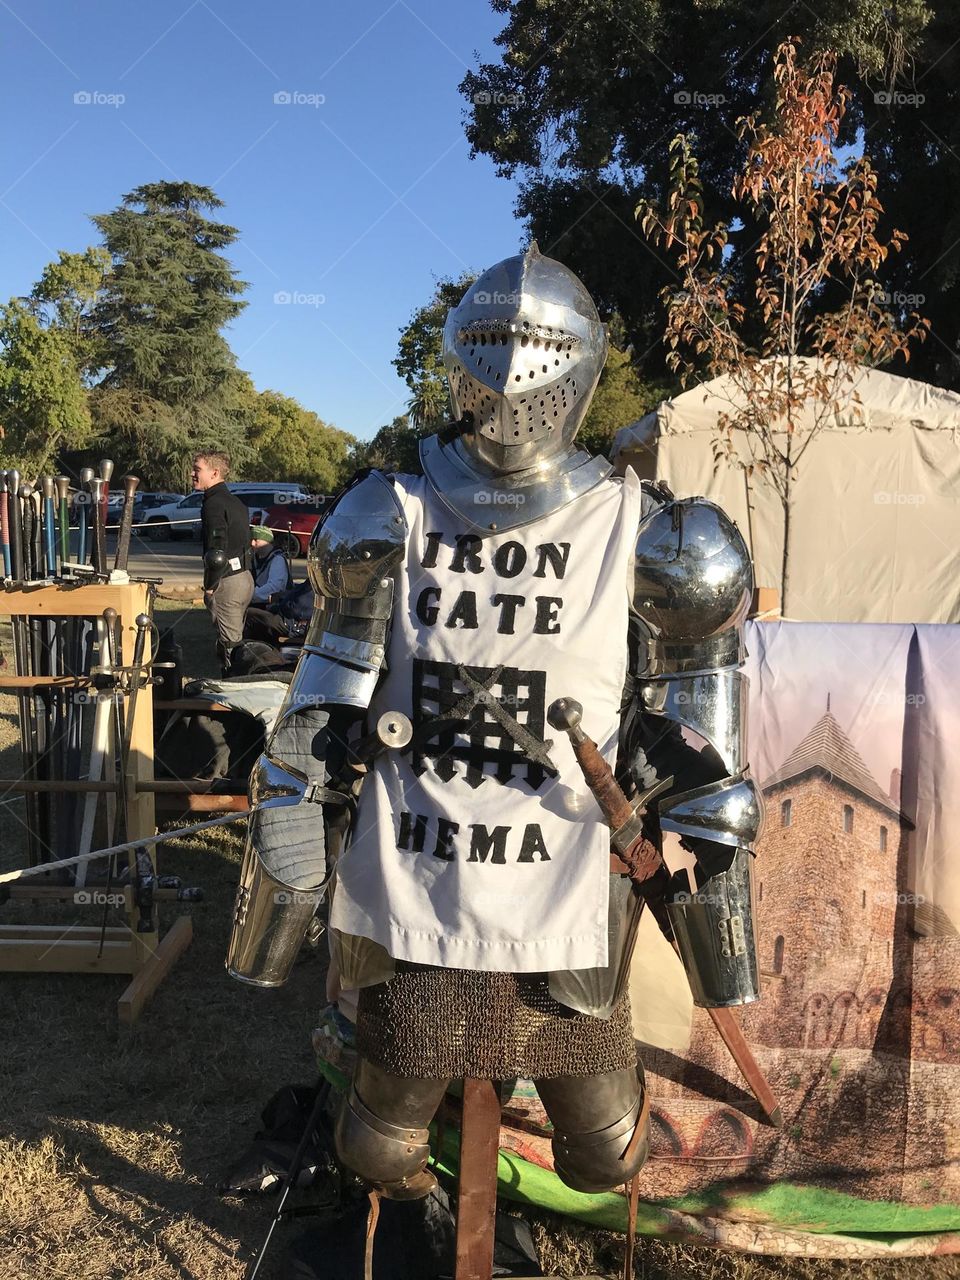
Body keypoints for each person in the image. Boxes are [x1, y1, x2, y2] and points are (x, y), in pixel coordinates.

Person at [227, 246, 763, 1203]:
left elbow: (709, 782)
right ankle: (434, 1220)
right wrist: (277, 925)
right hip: (419, 881)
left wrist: (718, 957)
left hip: (567, 886)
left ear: (581, 360)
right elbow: (308, 741)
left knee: (608, 1155)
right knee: (378, 1150)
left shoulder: (656, 538)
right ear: (458, 356)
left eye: (538, 347)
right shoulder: (385, 514)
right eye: (490, 342)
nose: (514, 377)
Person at [192, 451, 254, 674]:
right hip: (244, 577)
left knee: (229, 646)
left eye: (197, 469)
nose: (192, 473)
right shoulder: (236, 502)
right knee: (234, 641)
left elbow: (216, 552)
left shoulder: (214, 504)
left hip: (227, 581)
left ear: (214, 472)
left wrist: (210, 585)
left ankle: (232, 694)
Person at [249, 525, 292, 605]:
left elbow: (275, 587)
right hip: (256, 602)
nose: (252, 543)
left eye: (256, 540)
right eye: (251, 540)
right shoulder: (253, 557)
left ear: (267, 541)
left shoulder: (278, 559)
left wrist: (249, 595)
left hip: (273, 607)